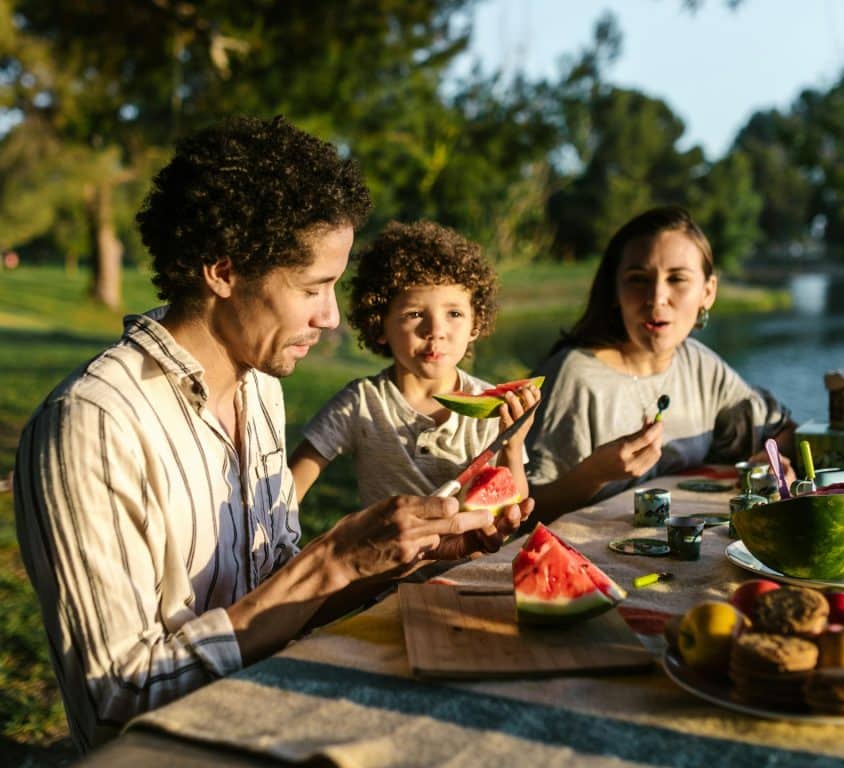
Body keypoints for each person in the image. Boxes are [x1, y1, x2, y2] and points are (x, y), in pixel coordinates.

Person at [13, 116, 532, 752]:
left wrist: (403, 558)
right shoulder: (91, 427)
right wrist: (330, 562)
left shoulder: (260, 385)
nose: (333, 314)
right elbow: (114, 702)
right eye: (314, 287)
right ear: (224, 272)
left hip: (276, 727)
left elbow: (275, 606)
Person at [526, 205, 795, 522]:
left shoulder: (698, 364)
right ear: (615, 290)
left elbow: (779, 429)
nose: (656, 298)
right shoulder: (573, 376)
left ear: (708, 293)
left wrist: (775, 460)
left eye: (677, 279)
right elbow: (521, 513)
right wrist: (594, 475)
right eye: (638, 279)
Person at [289, 220, 539, 506]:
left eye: (454, 314)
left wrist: (513, 444)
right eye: (415, 314)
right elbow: (291, 487)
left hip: (471, 552)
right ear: (379, 325)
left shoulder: (491, 409)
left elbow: (513, 503)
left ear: (475, 325)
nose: (436, 330)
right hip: (385, 551)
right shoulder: (360, 403)